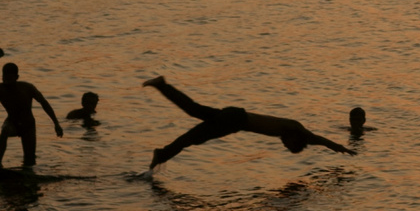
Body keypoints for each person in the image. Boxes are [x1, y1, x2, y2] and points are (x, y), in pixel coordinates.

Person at [143, 76, 356, 169]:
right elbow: (321, 140)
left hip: (234, 117)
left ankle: (162, 85)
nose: (284, 145)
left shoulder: (297, 133)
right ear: (296, 140)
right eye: (288, 146)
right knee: (191, 137)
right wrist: (342, 148)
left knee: (193, 111)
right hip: (234, 120)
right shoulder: (296, 129)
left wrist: (340, 149)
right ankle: (162, 154)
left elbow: (323, 142)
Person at [0, 61, 63, 166]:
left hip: (28, 126)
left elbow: (44, 103)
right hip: (12, 122)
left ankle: (27, 172)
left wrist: (56, 123)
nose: (7, 81)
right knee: (4, 131)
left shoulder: (27, 88)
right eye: (5, 77)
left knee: (29, 159)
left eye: (10, 78)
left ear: (17, 77)